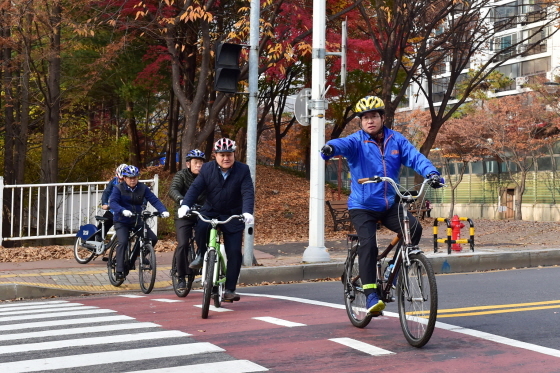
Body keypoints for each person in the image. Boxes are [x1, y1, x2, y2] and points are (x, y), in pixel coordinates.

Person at [320, 95, 444, 316]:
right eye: (365, 117)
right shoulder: (356, 141)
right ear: (361, 121)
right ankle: (371, 296)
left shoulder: (396, 140)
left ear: (382, 117)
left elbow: (416, 158)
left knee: (414, 228)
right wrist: (329, 148)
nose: (370, 121)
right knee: (369, 244)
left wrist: (432, 174)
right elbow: (341, 144)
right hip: (362, 205)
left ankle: (390, 274)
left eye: (374, 116)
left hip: (388, 203)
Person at [178, 138, 255, 302]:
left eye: (229, 154)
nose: (225, 158)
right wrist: (185, 205)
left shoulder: (243, 170)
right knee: (200, 227)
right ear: (215, 155)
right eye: (222, 155)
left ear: (234, 154)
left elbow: (247, 192)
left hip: (233, 214)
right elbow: (195, 188)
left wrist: (247, 212)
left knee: (234, 252)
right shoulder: (207, 168)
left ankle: (229, 289)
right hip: (211, 210)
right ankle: (201, 253)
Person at [109, 165, 170, 280]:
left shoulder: (143, 188)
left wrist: (163, 211)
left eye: (135, 178)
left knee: (152, 238)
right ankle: (119, 271)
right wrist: (122, 210)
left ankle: (137, 255)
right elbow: (113, 203)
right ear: (125, 178)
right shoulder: (118, 188)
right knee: (123, 242)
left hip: (137, 219)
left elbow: (154, 199)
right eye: (130, 178)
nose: (133, 180)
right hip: (122, 220)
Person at [168, 149, 207, 292]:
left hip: (201, 214)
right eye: (196, 163)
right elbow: (173, 190)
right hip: (183, 215)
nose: (199, 165)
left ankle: (203, 263)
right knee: (183, 243)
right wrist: (181, 200)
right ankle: (181, 277)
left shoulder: (207, 176)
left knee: (206, 238)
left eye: (201, 163)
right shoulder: (181, 175)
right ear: (188, 164)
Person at [96, 163, 128, 240]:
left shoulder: (131, 183)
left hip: (126, 210)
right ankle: (96, 241)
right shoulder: (113, 181)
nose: (121, 181)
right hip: (113, 210)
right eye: (119, 179)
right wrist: (105, 203)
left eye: (123, 179)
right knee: (102, 227)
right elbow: (106, 192)